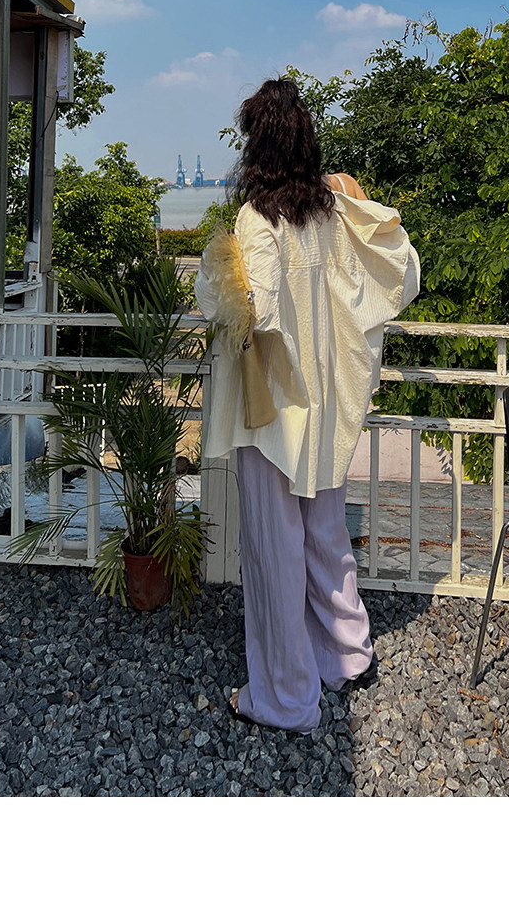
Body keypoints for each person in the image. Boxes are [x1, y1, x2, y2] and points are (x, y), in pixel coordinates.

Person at [194, 77, 420, 734]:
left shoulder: (256, 218)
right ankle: (348, 655)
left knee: (275, 549)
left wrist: (216, 282)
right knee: (324, 532)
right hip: (325, 406)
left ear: (256, 144)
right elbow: (394, 266)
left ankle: (286, 698)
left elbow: (256, 309)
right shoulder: (331, 208)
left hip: (273, 410)